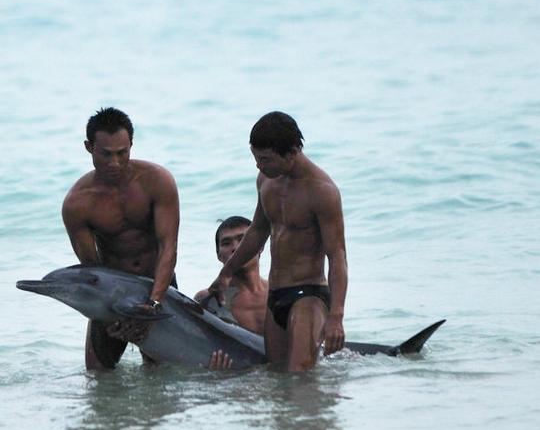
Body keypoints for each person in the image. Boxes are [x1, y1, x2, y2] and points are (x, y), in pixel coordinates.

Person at [209, 111, 347, 371]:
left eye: (265, 159)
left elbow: (337, 256)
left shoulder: (322, 192)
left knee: (299, 378)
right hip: (276, 295)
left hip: (308, 294)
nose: (259, 166)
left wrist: (336, 317)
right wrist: (225, 274)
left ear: (292, 152)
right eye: (256, 158)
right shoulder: (266, 181)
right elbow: (257, 232)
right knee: (277, 378)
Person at [62, 107, 180, 370]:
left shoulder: (157, 181)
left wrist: (154, 303)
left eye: (122, 153)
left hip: (159, 285)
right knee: (98, 376)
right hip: (113, 292)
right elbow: (92, 268)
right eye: (105, 154)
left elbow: (168, 247)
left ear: (131, 145)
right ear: (88, 147)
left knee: (160, 375)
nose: (114, 163)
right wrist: (108, 318)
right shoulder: (77, 203)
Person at [194, 216, 268, 334]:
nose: (236, 248)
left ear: (260, 247)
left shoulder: (277, 292)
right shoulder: (208, 299)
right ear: (218, 255)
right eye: (226, 243)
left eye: (242, 240)